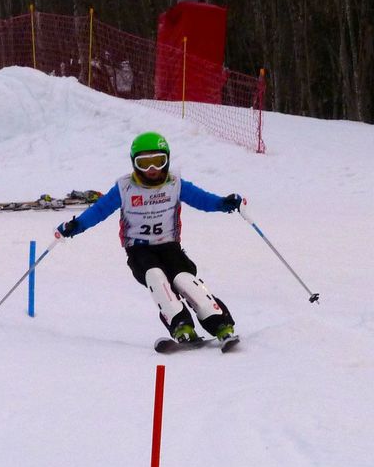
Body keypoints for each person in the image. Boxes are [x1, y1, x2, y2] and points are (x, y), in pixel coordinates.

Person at [55, 131, 243, 344]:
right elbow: (99, 211)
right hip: (139, 250)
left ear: (167, 160)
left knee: (184, 279)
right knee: (155, 276)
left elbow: (203, 200)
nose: (152, 169)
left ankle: (220, 323)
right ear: (134, 164)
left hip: (170, 246)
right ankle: (181, 325)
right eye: (145, 163)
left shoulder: (175, 183)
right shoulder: (124, 188)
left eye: (158, 162)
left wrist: (222, 203)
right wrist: (76, 226)